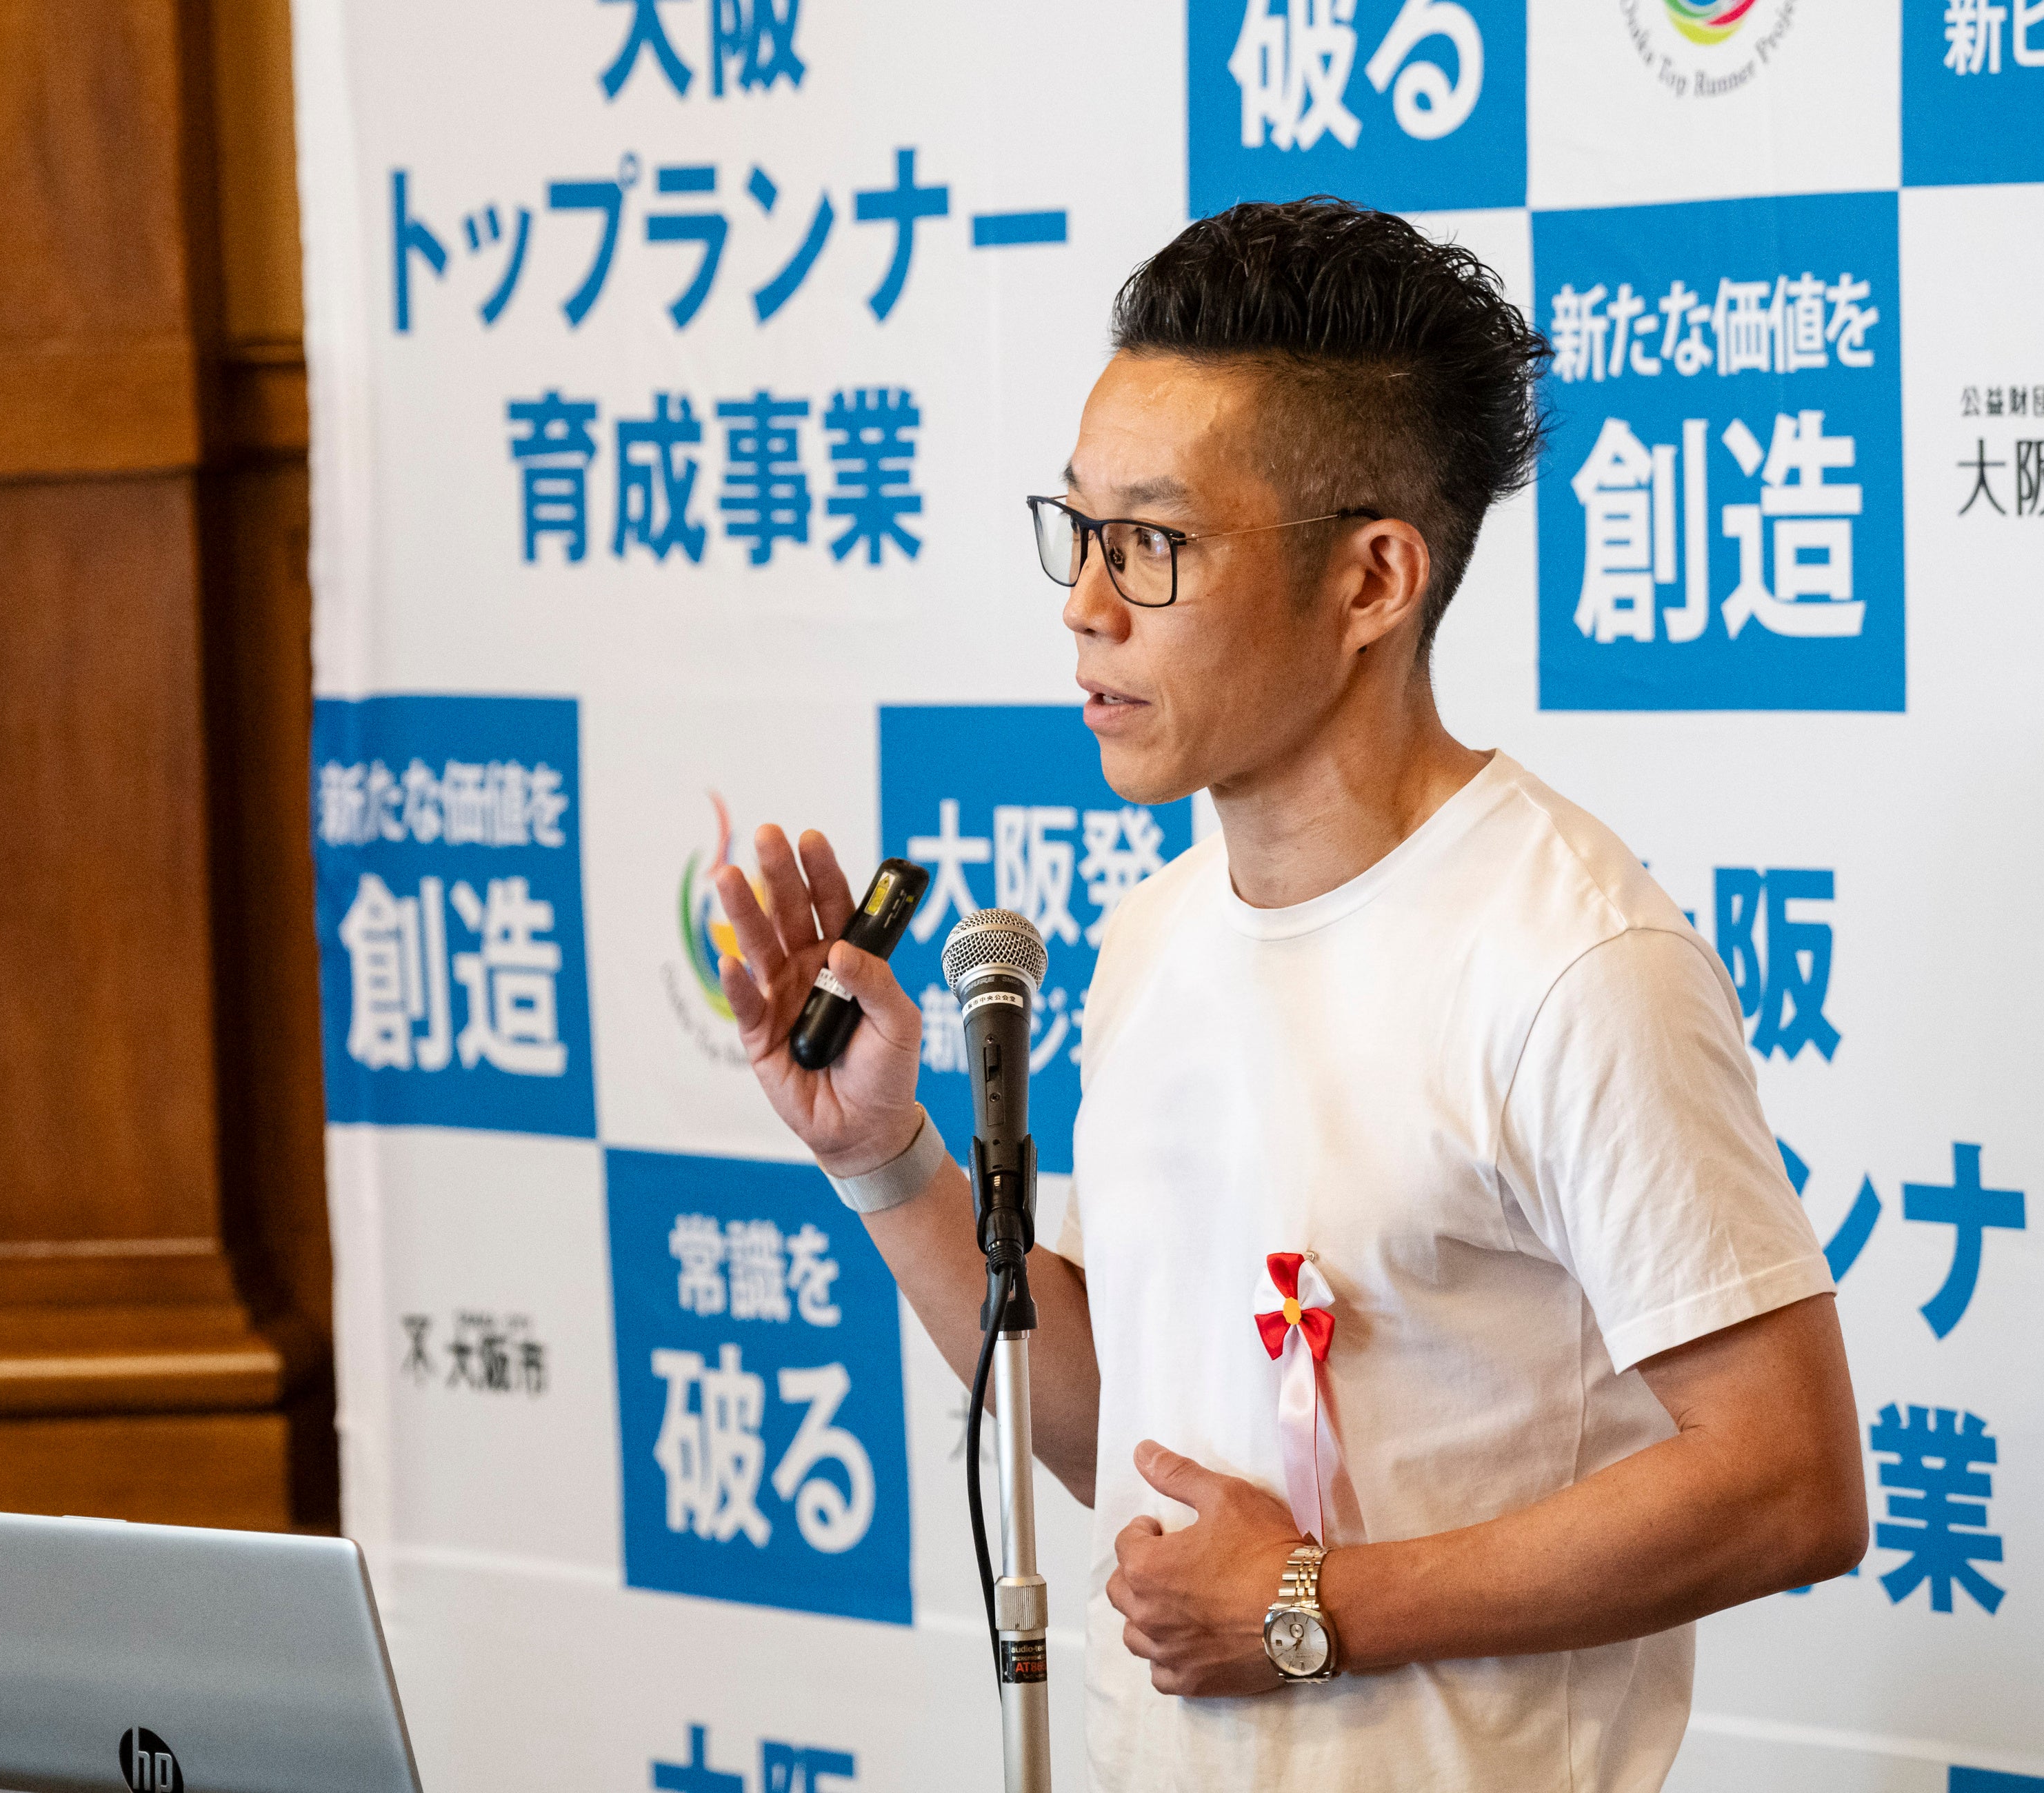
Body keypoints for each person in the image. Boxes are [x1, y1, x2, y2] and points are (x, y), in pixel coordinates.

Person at [712, 197, 1866, 1792]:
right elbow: (1120, 1435)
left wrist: (1314, 1606)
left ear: (1373, 578)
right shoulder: (1156, 936)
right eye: (1078, 530)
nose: (1085, 604)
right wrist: (884, 1157)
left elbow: (1792, 1482)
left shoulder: (1574, 960)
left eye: (1153, 544)